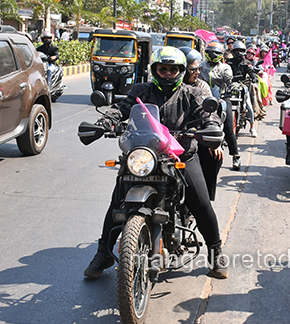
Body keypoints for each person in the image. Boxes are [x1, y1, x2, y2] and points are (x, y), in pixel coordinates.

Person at [83, 46, 228, 280]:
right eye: (163, 69)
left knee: (201, 203)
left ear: (180, 71)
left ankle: (216, 251)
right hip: (144, 155)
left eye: (173, 69)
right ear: (155, 70)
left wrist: (210, 126)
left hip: (179, 156)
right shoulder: (142, 91)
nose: (168, 74)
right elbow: (121, 109)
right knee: (117, 201)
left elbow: (207, 114)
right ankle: (104, 252)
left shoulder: (191, 93)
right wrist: (104, 122)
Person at [179, 46, 224, 201]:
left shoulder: (200, 87)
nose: (197, 72)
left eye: (198, 68)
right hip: (165, 138)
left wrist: (213, 136)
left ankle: (204, 196)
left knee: (214, 155)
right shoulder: (158, 88)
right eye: (193, 69)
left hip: (192, 134)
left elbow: (208, 114)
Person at [200, 41, 242, 170]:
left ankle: (235, 156)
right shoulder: (201, 66)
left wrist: (231, 87)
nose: (213, 55)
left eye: (216, 53)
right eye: (210, 53)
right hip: (202, 99)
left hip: (222, 98)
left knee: (229, 128)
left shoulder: (225, 67)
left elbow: (229, 82)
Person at [227, 40, 259, 137]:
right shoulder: (228, 63)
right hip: (230, 86)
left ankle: (252, 127)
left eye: (241, 50)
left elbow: (251, 72)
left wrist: (254, 78)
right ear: (233, 51)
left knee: (249, 106)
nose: (239, 53)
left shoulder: (247, 63)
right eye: (236, 50)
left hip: (242, 86)